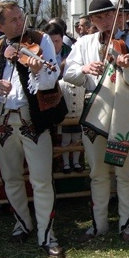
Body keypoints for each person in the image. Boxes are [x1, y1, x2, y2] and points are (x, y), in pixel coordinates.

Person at [0, 0, 67, 258]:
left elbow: (52, 79)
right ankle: (22, 224)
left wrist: (39, 72)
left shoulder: (41, 41)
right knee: (11, 178)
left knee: (41, 179)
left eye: (21, 17)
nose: (21, 23)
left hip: (33, 119)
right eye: (14, 20)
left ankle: (46, 234)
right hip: (3, 121)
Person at [64, 0, 129, 243]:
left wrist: (127, 67)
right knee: (98, 174)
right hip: (94, 113)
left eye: (108, 16)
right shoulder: (84, 43)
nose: (104, 21)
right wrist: (83, 70)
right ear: (91, 20)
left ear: (117, 15)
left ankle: (126, 224)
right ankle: (98, 224)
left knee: (123, 173)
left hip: (122, 113)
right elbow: (68, 72)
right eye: (98, 18)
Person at [43, 22, 81, 174]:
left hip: (70, 104)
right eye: (50, 42)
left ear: (62, 39)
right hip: (48, 106)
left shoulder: (71, 54)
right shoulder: (40, 55)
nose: (53, 45)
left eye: (57, 41)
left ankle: (75, 174)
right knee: (56, 144)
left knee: (74, 140)